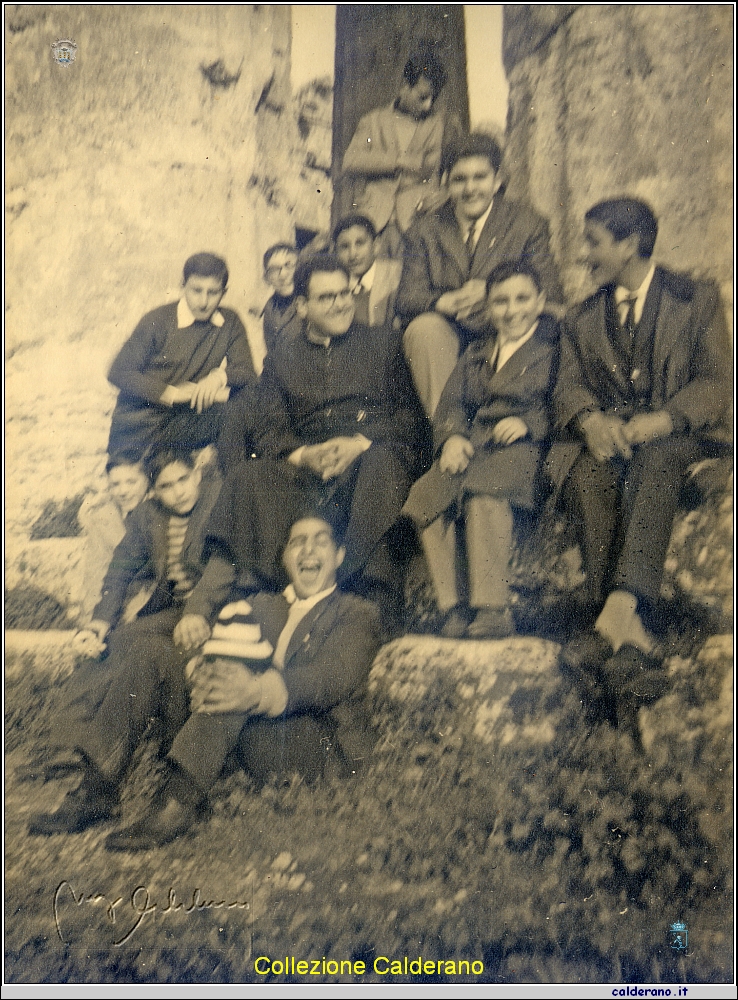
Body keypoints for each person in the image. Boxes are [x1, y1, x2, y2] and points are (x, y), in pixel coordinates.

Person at [548, 198, 732, 727]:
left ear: (630, 244)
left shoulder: (694, 299)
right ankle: (627, 640)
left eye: (594, 242)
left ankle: (623, 604)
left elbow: (718, 383)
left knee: (655, 461)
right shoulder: (583, 316)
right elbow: (569, 385)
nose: (585, 256)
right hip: (613, 437)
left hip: (679, 439)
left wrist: (667, 419)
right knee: (586, 473)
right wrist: (589, 422)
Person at [102, 514, 383, 850]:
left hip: (317, 740)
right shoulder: (261, 605)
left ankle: (177, 801)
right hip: (252, 732)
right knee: (155, 652)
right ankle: (98, 782)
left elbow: (332, 676)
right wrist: (199, 671)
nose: (308, 550)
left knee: (235, 687)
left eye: (320, 541)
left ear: (338, 556)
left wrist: (257, 691)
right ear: (285, 559)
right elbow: (221, 646)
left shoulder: (356, 612)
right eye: (297, 542)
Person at [192, 255, 425, 632]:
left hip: (368, 462)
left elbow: (410, 418)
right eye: (327, 297)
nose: (341, 303)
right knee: (251, 476)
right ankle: (260, 592)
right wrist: (304, 455)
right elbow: (269, 426)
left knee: (384, 464)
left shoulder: (383, 343)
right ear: (302, 305)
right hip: (311, 476)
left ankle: (368, 595)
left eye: (345, 293)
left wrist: (361, 443)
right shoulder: (283, 357)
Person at [29, 445, 227, 836]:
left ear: (197, 474)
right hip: (174, 614)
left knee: (149, 653)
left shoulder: (219, 499)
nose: (179, 492)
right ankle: (79, 761)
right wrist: (99, 624)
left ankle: (98, 780)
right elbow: (120, 570)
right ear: (155, 491)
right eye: (166, 486)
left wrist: (197, 612)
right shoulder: (147, 516)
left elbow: (225, 564)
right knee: (115, 641)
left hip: (218, 611)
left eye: (183, 480)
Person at [404, 260, 559, 639]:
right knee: (427, 494)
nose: (513, 310)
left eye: (522, 299)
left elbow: (564, 399)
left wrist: (530, 423)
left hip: (524, 448)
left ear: (540, 302)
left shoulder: (553, 350)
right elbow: (452, 404)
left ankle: (492, 607)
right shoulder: (476, 353)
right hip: (477, 444)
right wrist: (452, 438)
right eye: (501, 302)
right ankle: (453, 606)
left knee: (483, 493)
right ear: (488, 309)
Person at [396, 132, 563, 418]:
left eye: (480, 177)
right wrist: (442, 302)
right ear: (445, 182)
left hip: (504, 331)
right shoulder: (424, 230)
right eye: (459, 179)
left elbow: (552, 296)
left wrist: (492, 292)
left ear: (497, 179)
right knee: (423, 329)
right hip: (450, 336)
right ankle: (448, 434)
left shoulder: (526, 224)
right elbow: (407, 296)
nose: (470, 188)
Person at [106, 252, 257, 460]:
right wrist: (173, 394)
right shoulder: (158, 320)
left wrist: (217, 378)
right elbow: (118, 372)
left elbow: (247, 372)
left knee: (244, 409)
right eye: (196, 290)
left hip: (181, 423)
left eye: (213, 292)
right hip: (140, 427)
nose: (204, 301)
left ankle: (235, 485)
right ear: (182, 285)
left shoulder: (229, 322)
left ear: (224, 292)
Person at [341, 49, 460, 258]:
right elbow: (351, 161)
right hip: (373, 221)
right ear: (405, 86)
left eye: (433, 98)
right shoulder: (373, 121)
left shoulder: (443, 124)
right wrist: (398, 160)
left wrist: (448, 192)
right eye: (422, 97)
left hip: (419, 221)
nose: (428, 105)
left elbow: (462, 164)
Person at [76, 453, 150, 621]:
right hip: (115, 606)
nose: (123, 491)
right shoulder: (104, 519)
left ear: (146, 481)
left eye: (131, 482)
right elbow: (96, 573)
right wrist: (93, 621)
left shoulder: (160, 511)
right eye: (115, 484)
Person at [333, 214, 402, 328]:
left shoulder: (396, 275)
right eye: (344, 246)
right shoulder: (336, 281)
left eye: (360, 243)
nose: (352, 254)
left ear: (376, 246)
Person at [261, 243, 300, 355]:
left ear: (299, 267)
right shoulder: (270, 308)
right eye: (274, 269)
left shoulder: (311, 302)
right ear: (267, 278)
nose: (283, 275)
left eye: (288, 265)